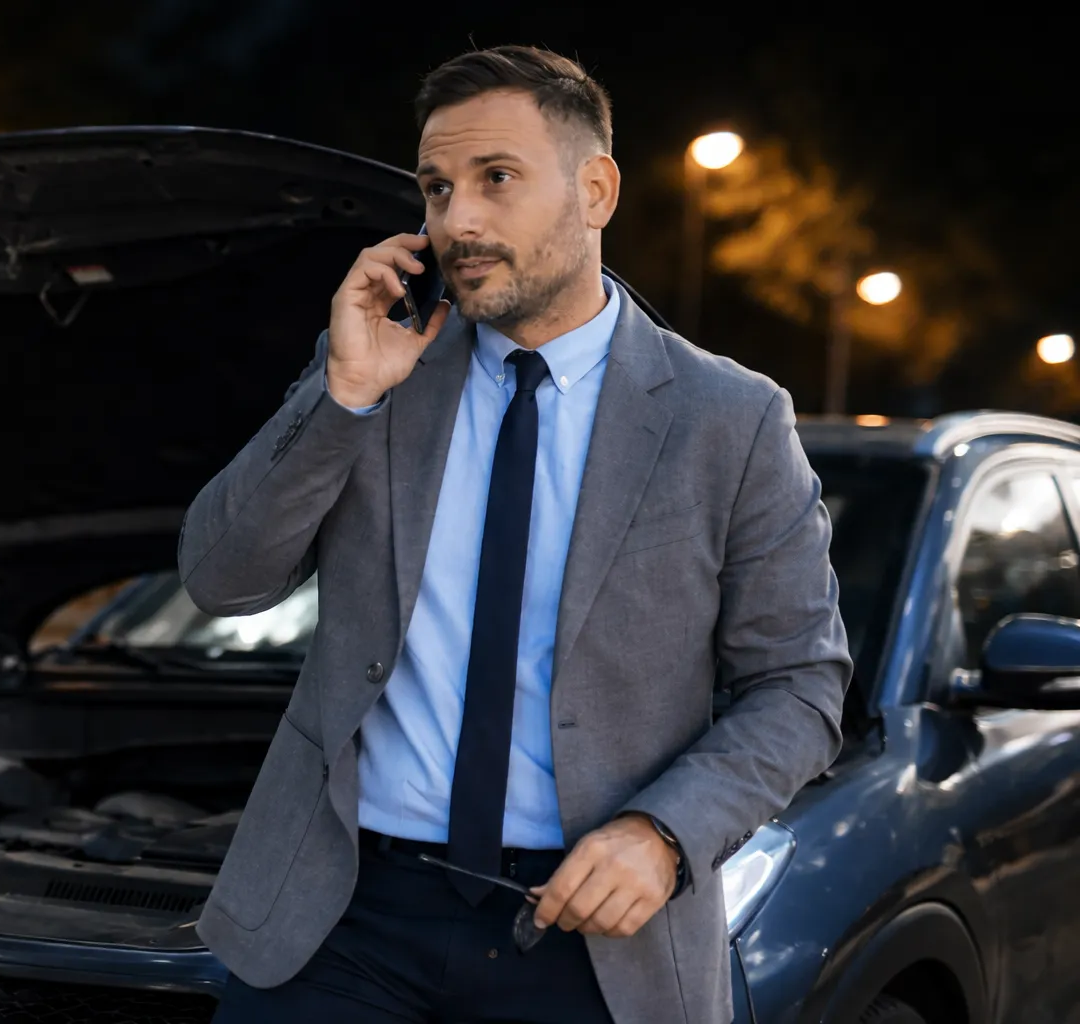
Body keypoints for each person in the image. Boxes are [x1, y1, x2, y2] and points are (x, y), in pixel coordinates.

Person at [178, 44, 850, 1024]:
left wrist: (663, 835)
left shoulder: (728, 418)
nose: (458, 221)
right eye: (437, 187)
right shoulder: (380, 369)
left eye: (496, 179)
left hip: (590, 940)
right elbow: (219, 580)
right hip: (342, 917)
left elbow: (799, 684)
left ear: (596, 189)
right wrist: (344, 397)